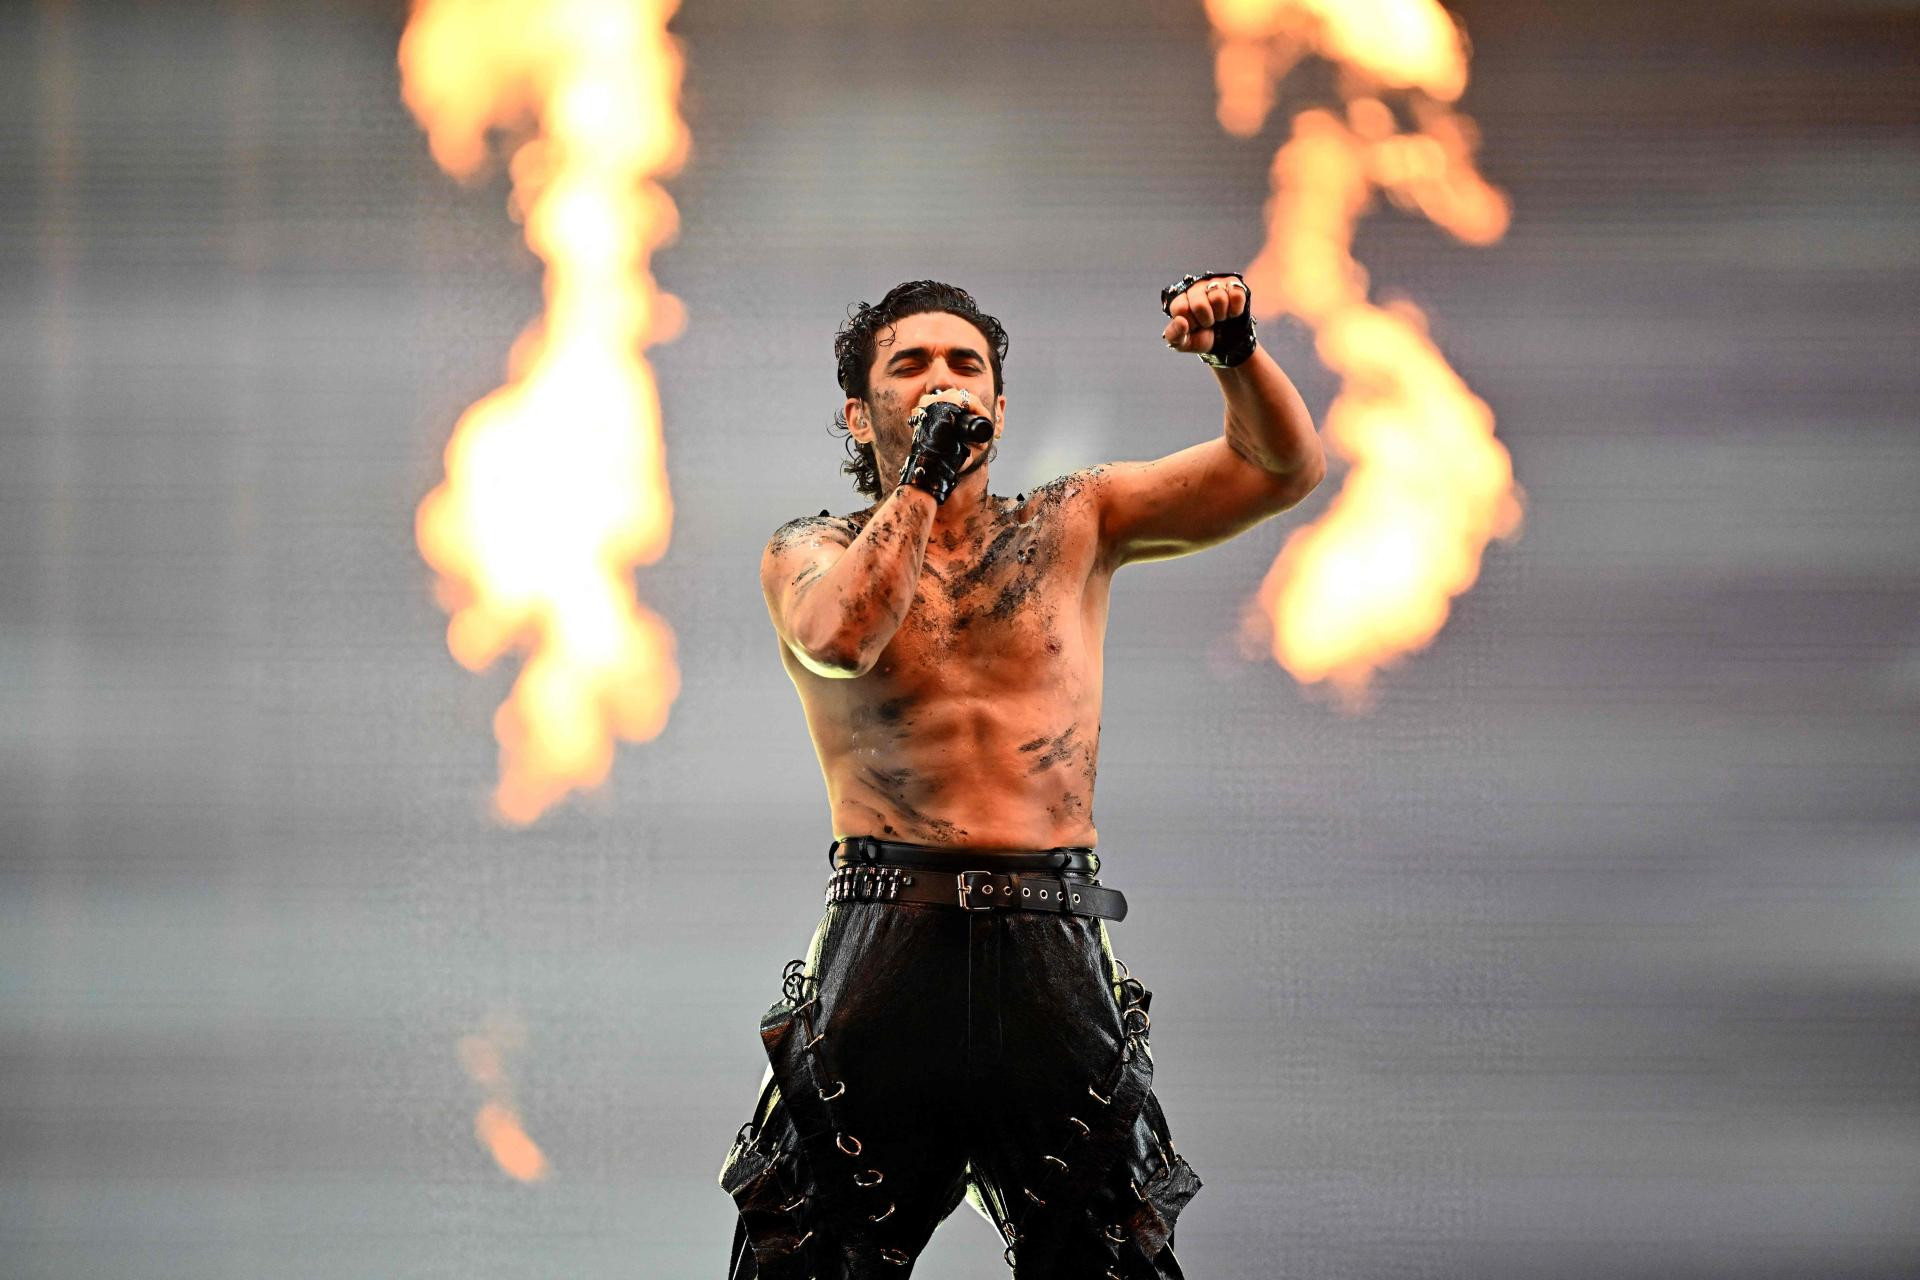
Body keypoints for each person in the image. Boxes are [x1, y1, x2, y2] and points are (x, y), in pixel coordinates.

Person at [719, 275, 1323, 1278]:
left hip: (1050, 935)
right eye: (911, 365)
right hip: (890, 931)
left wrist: (1237, 351)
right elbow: (844, 638)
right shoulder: (811, 549)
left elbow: (1280, 466)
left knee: (1113, 1250)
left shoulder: (1071, 521)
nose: (943, 380)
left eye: (966, 365)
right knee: (808, 1252)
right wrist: (924, 473)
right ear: (860, 413)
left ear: (999, 406)